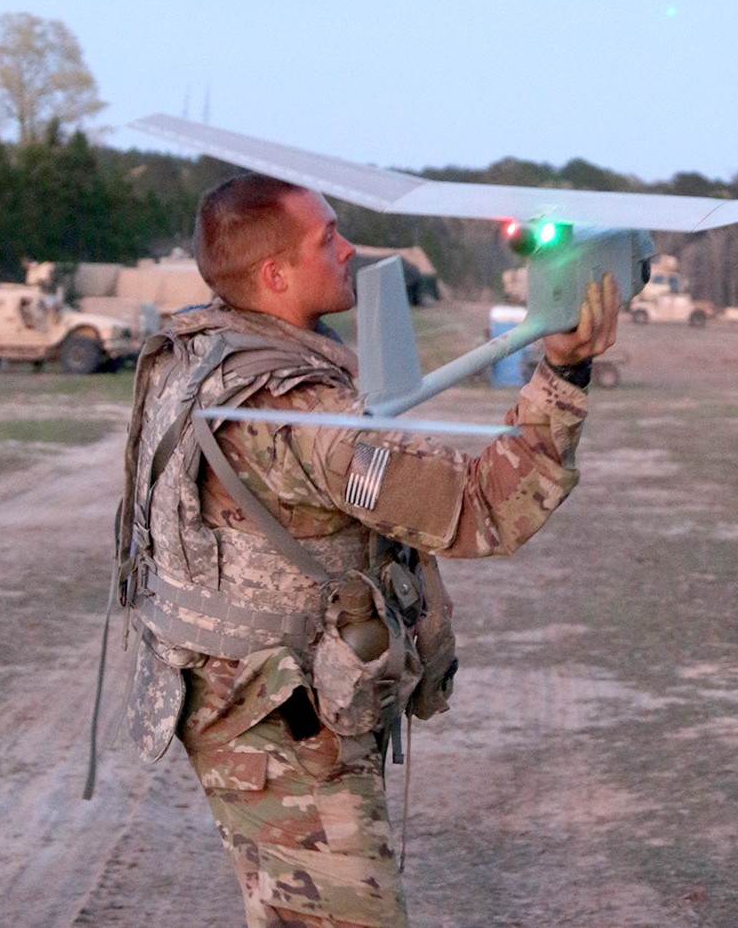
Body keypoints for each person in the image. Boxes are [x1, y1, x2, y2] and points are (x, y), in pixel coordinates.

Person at [111, 172, 618, 927]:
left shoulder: (211, 346)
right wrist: (565, 371)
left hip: (242, 701)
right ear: (274, 274)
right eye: (327, 238)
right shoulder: (295, 412)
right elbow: (487, 506)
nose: (348, 248)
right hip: (278, 724)